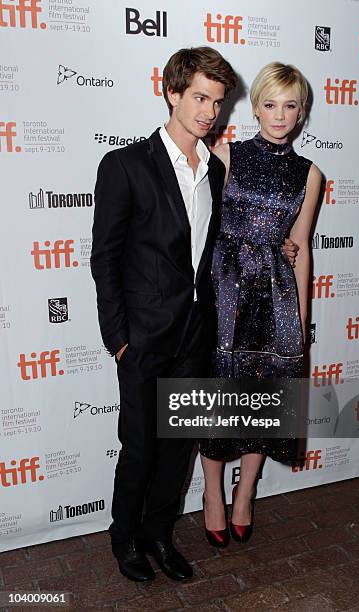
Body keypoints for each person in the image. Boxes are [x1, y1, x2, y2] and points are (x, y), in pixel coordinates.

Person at [91, 46, 238, 582]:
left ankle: (158, 532)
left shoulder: (215, 172)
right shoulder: (126, 165)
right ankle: (124, 536)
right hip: (144, 338)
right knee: (140, 447)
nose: (208, 112)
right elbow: (104, 257)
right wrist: (118, 338)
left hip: (195, 336)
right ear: (172, 93)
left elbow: (210, 252)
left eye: (217, 102)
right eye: (199, 97)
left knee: (177, 450)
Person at [200, 62, 321, 547]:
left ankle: (245, 493)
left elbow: (301, 245)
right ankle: (213, 495)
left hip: (276, 297)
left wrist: (303, 317)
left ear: (301, 112)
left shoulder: (309, 174)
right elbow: (204, 228)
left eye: (290, 105)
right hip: (225, 289)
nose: (279, 115)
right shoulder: (224, 155)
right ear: (255, 107)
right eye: (270, 104)